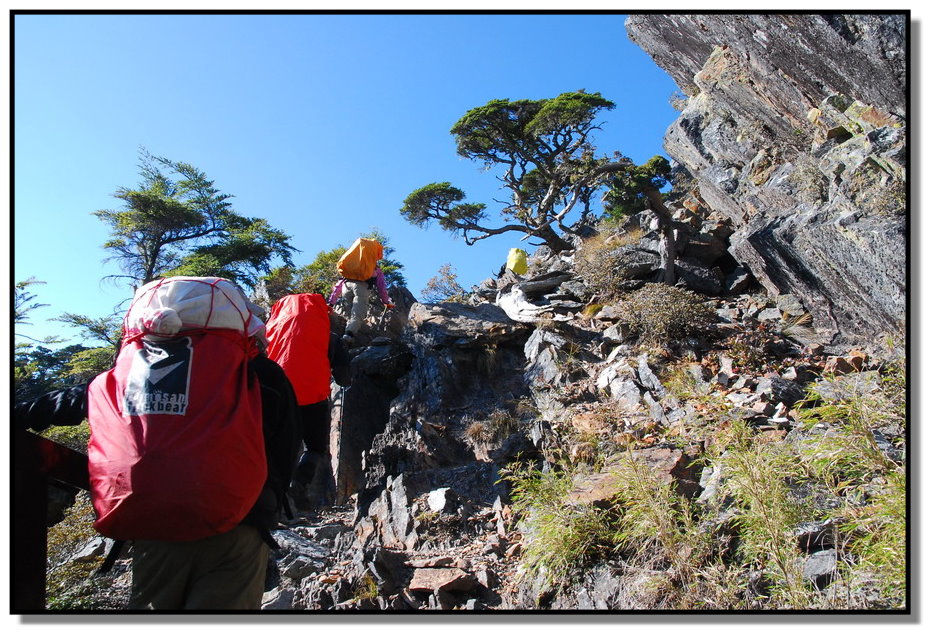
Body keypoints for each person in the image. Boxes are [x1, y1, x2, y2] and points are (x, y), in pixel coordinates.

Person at [14, 279, 301, 611]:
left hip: (153, 526)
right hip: (237, 524)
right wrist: (267, 510)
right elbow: (286, 447)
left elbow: (68, 401)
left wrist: (19, 414)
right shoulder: (259, 372)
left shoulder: (129, 373)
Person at [265, 293, 351, 511]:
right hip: (313, 398)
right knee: (314, 447)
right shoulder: (329, 337)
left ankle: (272, 499)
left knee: (274, 447)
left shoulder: (270, 334)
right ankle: (299, 485)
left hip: (276, 396)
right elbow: (343, 377)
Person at [328, 237, 395, 345]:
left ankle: (347, 335)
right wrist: (386, 301)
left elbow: (338, 284)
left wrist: (331, 303)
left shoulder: (351, 265)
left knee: (350, 313)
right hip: (361, 288)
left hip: (346, 287)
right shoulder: (375, 269)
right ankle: (349, 336)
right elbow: (381, 287)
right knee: (358, 314)